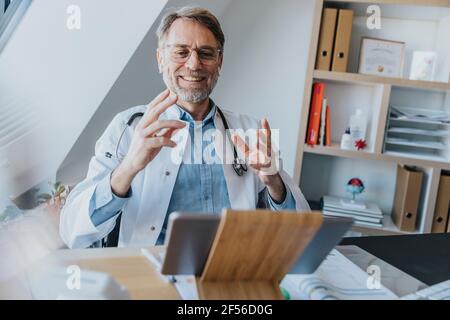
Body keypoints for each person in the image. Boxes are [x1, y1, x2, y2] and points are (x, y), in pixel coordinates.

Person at [60, 7, 310, 248]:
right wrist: (128, 168)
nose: (193, 64)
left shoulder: (250, 130)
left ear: (219, 61)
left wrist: (274, 182)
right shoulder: (127, 129)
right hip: (151, 277)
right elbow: (72, 230)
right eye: (181, 52)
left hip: (229, 270)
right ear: (160, 59)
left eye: (206, 53)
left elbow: (299, 230)